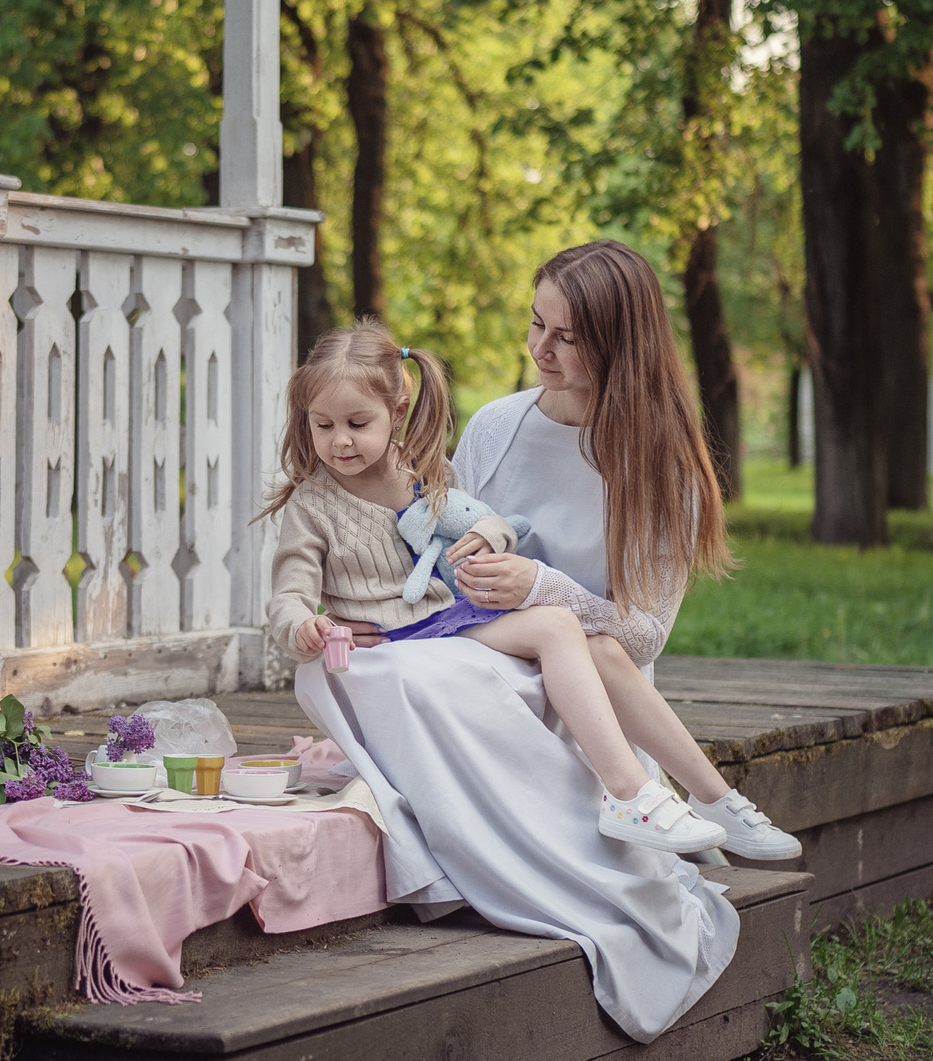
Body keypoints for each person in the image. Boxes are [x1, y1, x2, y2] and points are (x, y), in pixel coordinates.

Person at [288, 240, 795, 1042]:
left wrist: (540, 585)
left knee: (590, 645)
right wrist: (364, 602)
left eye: (567, 336)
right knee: (422, 668)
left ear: (620, 344)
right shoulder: (499, 425)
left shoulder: (660, 464)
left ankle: (689, 797)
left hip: (588, 688)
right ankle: (707, 799)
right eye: (536, 324)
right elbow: (434, 535)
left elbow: (642, 634)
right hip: (479, 645)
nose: (541, 349)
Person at [262, 321, 727, 855]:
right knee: (553, 632)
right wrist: (305, 626)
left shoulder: (423, 472)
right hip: (392, 636)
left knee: (559, 623)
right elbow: (290, 594)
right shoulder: (312, 505)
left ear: (397, 411)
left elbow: (487, 521)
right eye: (322, 425)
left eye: (357, 423)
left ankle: (629, 791)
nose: (339, 440)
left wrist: (489, 535)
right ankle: (635, 792)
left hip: (447, 618)